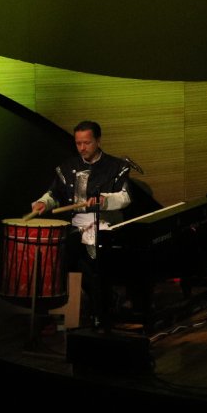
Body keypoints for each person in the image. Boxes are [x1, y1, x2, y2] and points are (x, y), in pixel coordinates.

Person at [30, 120, 133, 323]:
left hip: (106, 225)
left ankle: (102, 308)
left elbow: (126, 196)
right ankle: (91, 305)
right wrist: (44, 203)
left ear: (98, 141)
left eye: (87, 143)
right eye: (78, 143)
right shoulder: (69, 167)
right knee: (66, 255)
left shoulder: (116, 166)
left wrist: (104, 200)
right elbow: (54, 194)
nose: (82, 148)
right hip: (78, 226)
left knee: (95, 263)